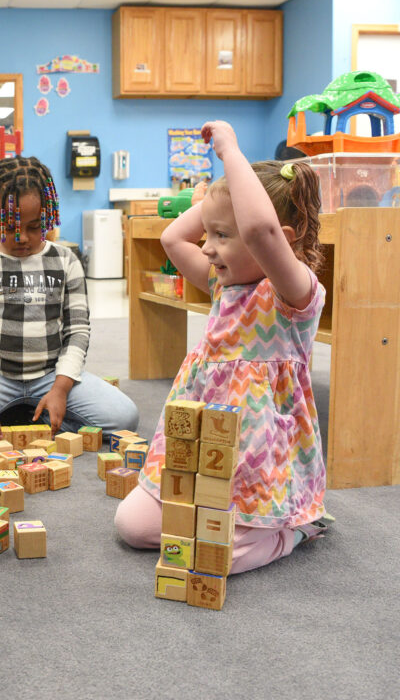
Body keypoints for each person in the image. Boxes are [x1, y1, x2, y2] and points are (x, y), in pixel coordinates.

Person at [115, 120, 332, 573]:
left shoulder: (295, 292)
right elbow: (173, 238)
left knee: (214, 558)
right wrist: (219, 203)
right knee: (132, 527)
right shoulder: (222, 283)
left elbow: (260, 233)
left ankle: (292, 530)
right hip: (201, 446)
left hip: (259, 462)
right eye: (209, 235)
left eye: (222, 237)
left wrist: (232, 153)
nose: (208, 248)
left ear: (284, 242)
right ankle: (225, 518)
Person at [0, 155, 139, 443]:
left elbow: (77, 332)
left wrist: (60, 388)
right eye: (10, 226)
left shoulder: (66, 261)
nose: (21, 237)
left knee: (125, 417)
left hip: (50, 375)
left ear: (48, 216)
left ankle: (32, 412)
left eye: (34, 227)